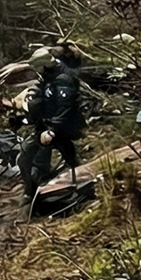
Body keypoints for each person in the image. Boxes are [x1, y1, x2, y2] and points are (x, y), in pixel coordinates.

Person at [19, 43, 85, 210]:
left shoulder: (64, 78)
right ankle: (30, 191)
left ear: (45, 64)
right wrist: (34, 96)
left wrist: (52, 130)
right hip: (46, 123)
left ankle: (81, 187)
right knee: (24, 156)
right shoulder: (49, 73)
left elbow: (66, 107)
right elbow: (43, 89)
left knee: (71, 159)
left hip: (62, 127)